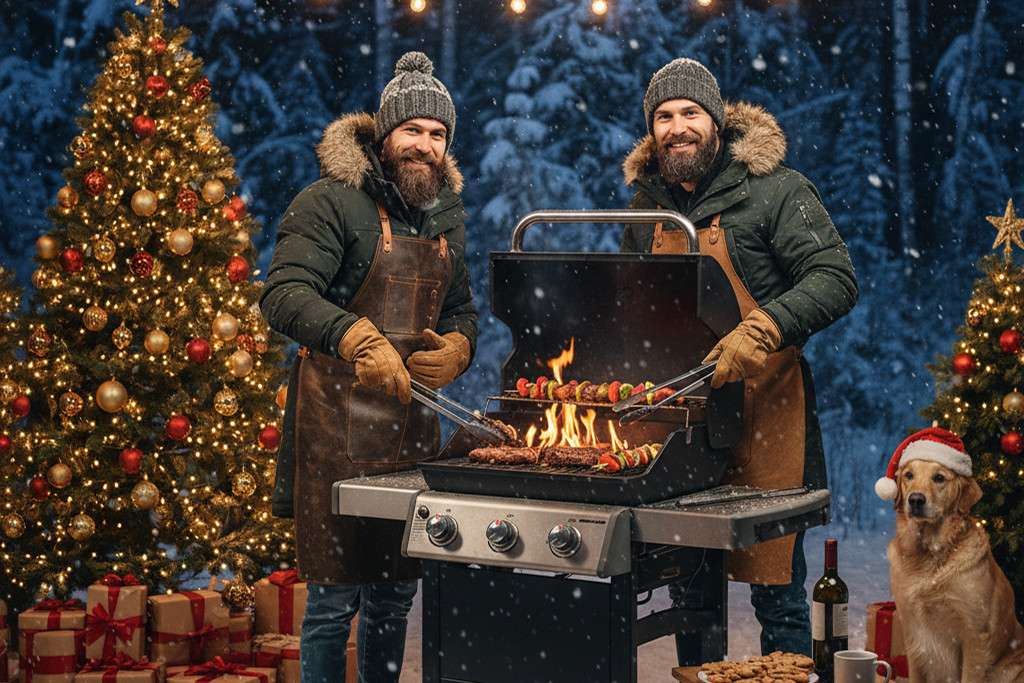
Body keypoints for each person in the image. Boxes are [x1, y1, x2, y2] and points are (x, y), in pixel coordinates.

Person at [620, 57, 858, 658]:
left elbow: (836, 277)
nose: (678, 127)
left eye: (691, 113)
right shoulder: (643, 209)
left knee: (776, 594)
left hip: (766, 420)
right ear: (653, 130)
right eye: (665, 116)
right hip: (680, 428)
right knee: (690, 596)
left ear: (717, 121)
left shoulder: (777, 189)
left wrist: (764, 327)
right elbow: (628, 311)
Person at [260, 51, 478, 683]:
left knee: (393, 595)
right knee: (332, 602)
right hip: (335, 432)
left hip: (411, 436)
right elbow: (284, 294)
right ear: (384, 136)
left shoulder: (444, 219)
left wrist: (460, 346)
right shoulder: (329, 201)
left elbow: (461, 308)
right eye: (413, 130)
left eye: (438, 135)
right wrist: (356, 336)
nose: (426, 145)